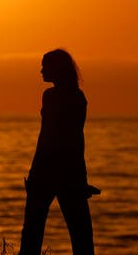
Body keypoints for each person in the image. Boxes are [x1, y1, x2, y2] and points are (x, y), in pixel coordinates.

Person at [18, 49, 97, 255]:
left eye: (45, 66)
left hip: (55, 170)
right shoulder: (71, 96)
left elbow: (54, 138)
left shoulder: (62, 97)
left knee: (34, 233)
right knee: (79, 234)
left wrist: (37, 172)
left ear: (57, 69)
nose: (41, 70)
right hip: (65, 170)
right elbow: (70, 139)